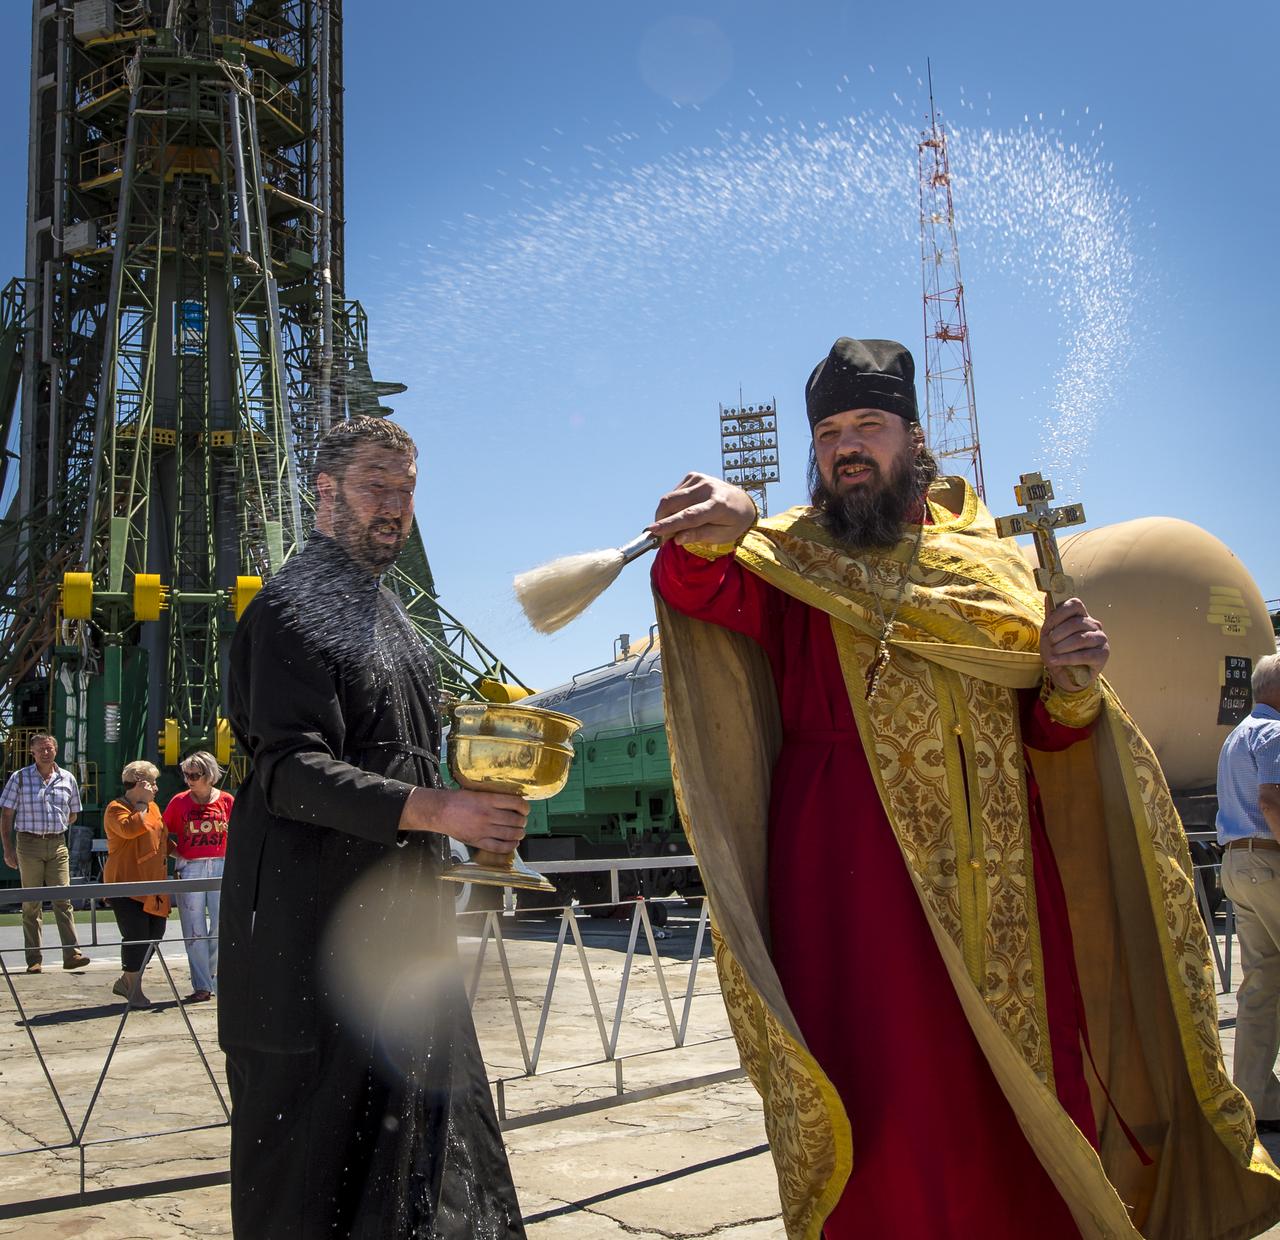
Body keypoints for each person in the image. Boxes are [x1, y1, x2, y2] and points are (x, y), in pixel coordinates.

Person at [649, 337, 1280, 1239]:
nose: (847, 447)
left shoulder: (988, 569)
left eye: (868, 425)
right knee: (889, 1113)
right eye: (828, 432)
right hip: (849, 894)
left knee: (1017, 1105)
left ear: (913, 436)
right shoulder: (787, 561)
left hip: (1005, 892)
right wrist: (721, 524)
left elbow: (1049, 736)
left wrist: (1068, 685)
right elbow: (701, 587)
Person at [220, 415, 527, 1239]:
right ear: (324, 494)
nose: (395, 508)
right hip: (311, 951)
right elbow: (285, 768)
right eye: (375, 488)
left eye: (407, 490)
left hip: (396, 942)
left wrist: (477, 798)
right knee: (320, 1185)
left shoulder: (392, 618)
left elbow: (407, 760)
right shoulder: (290, 609)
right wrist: (439, 809)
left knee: (430, 1170)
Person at [1217, 653, 1280, 1133]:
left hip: (1236, 861)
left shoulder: (1236, 735)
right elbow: (1271, 799)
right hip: (1268, 857)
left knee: (1261, 981)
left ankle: (1257, 1099)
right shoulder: (1274, 733)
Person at [0, 734, 90, 974]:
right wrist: (8, 849)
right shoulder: (19, 778)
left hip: (58, 843)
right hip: (28, 843)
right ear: (32, 752)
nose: (45, 753)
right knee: (31, 903)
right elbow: (7, 814)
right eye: (40, 749)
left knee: (64, 898)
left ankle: (72, 954)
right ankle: (33, 959)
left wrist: (56, 825)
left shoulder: (67, 778)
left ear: (56, 751)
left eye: (49, 748)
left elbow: (73, 814)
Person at [163, 750, 231, 1003]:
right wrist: (178, 853)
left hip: (221, 865)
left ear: (210, 775)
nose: (189, 779)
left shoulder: (226, 801)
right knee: (194, 929)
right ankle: (202, 984)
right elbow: (162, 833)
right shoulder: (179, 802)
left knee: (222, 924)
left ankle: (213, 974)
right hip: (190, 866)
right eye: (186, 774)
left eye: (195, 774)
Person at [103, 760, 171, 1009]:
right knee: (136, 936)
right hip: (126, 884)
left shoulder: (153, 808)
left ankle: (127, 981)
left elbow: (160, 838)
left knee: (155, 935)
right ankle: (134, 988)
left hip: (154, 885)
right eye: (152, 783)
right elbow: (130, 829)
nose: (156, 788)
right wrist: (141, 803)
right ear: (140, 784)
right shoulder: (115, 809)